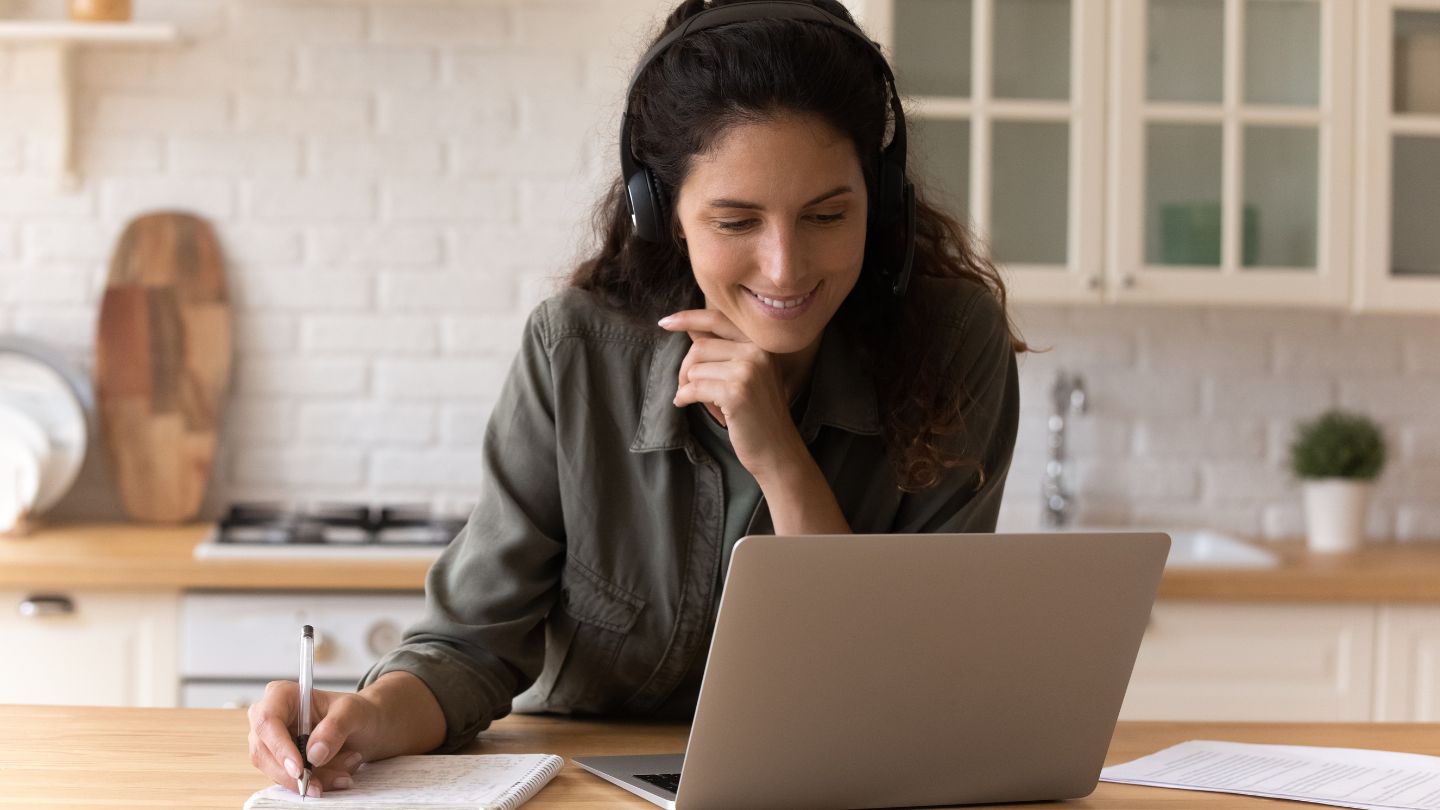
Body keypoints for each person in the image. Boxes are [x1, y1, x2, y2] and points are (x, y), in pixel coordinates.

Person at [246, 0, 1026, 796]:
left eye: (828, 214)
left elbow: (902, 690)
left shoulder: (952, 345)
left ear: (881, 198)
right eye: (736, 220)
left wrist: (781, 461)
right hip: (586, 790)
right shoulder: (575, 351)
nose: (785, 267)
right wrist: (366, 719)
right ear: (664, 214)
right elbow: (472, 647)